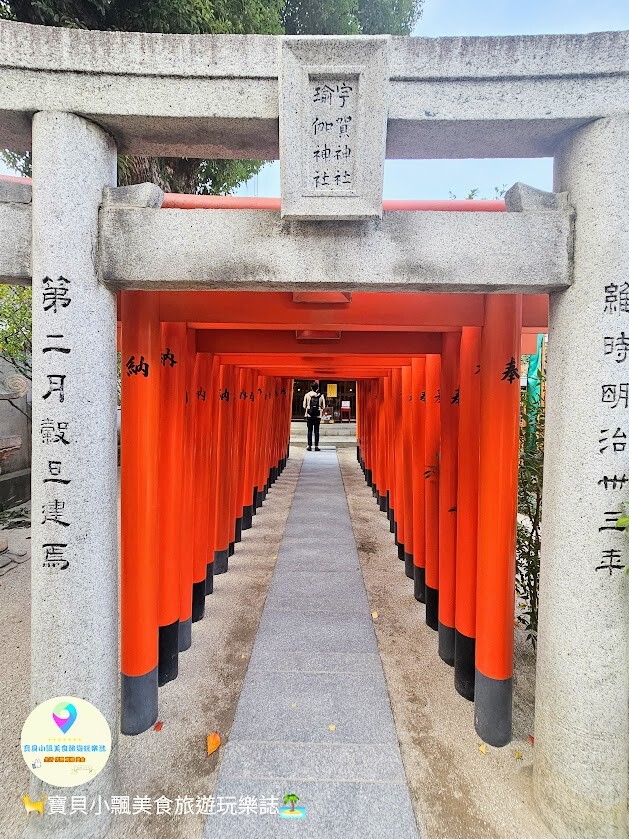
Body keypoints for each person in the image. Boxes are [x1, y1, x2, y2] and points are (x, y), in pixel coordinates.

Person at [303, 382, 325, 451]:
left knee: (309, 430)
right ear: (317, 388)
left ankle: (309, 446)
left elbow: (304, 406)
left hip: (309, 415)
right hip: (317, 415)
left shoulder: (307, 395)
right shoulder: (321, 396)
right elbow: (323, 406)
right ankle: (316, 446)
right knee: (316, 431)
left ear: (311, 388)